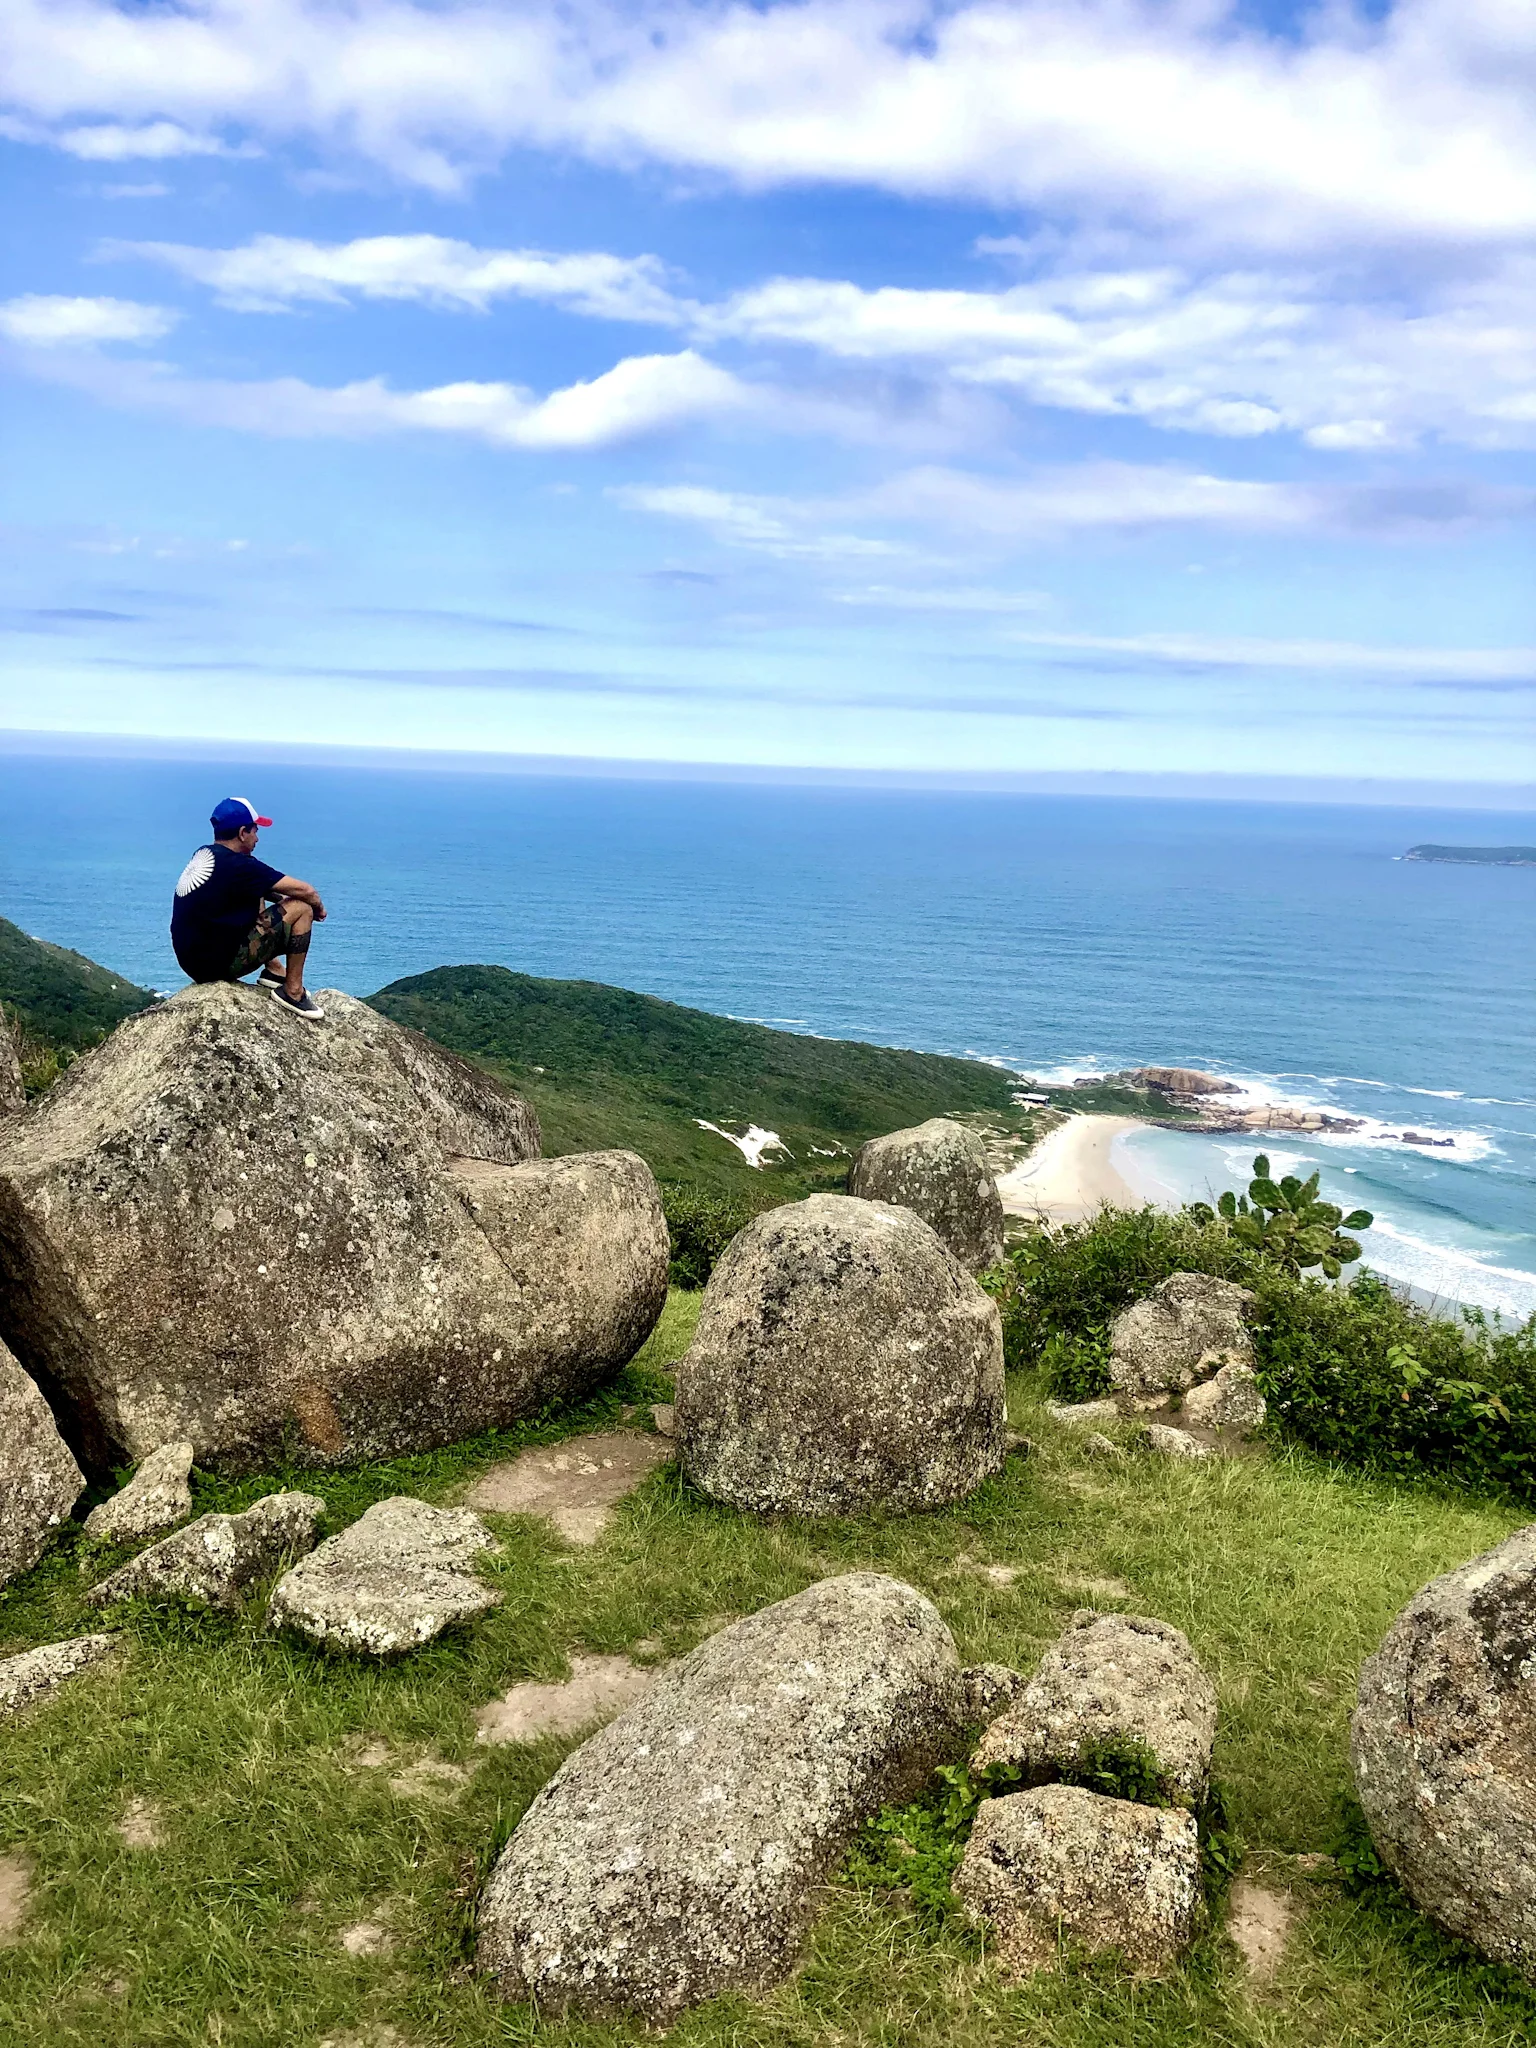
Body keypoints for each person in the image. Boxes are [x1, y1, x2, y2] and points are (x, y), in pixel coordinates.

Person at [170, 796, 328, 1021]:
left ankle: (274, 971)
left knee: (259, 889)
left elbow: (257, 886)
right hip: (218, 966)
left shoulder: (206, 854)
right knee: (302, 908)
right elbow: (307, 891)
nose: (257, 838)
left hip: (193, 962)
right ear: (243, 832)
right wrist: (318, 908)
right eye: (255, 831)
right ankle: (293, 991)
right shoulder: (241, 866)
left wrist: (279, 898)